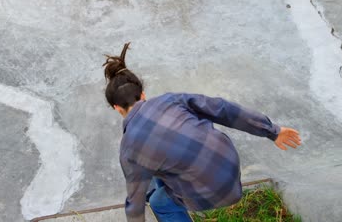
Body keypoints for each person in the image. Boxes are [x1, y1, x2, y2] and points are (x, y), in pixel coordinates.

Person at [103, 43, 301, 222]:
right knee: (159, 160)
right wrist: (273, 131)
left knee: (158, 202)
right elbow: (224, 109)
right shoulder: (172, 99)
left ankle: (166, 201)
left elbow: (134, 202)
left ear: (116, 108)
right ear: (143, 94)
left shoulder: (129, 150)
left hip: (214, 192)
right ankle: (164, 192)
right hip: (229, 167)